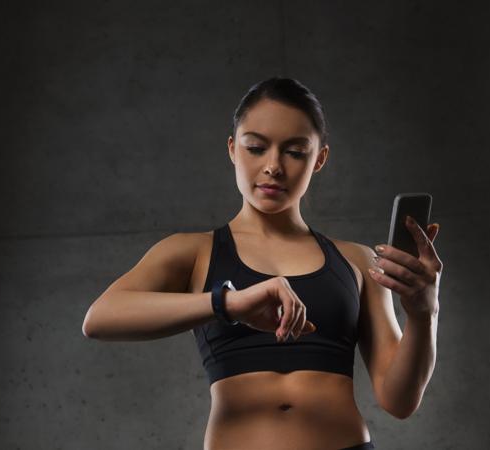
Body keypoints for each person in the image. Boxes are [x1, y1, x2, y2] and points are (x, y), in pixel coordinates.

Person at [82, 77, 443, 450]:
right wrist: (228, 303)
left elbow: (398, 401)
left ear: (319, 158)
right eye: (256, 147)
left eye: (295, 151)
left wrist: (423, 313)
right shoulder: (193, 252)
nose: (273, 166)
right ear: (232, 150)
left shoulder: (355, 260)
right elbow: (100, 318)